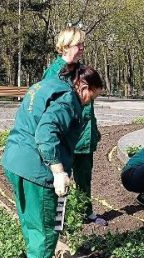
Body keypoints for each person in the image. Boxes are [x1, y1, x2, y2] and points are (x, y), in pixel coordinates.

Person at [1, 65, 104, 258]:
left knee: (30, 221)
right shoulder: (68, 99)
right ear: (83, 86)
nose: (88, 102)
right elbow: (46, 133)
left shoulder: (47, 85)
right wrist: (58, 171)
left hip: (16, 159)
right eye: (92, 96)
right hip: (36, 168)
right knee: (46, 225)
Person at [42, 27, 107, 226]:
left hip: (84, 138)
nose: (82, 48)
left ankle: (85, 212)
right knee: (62, 180)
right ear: (66, 46)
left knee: (84, 178)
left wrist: (93, 130)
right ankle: (58, 220)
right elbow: (48, 110)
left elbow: (88, 105)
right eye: (79, 44)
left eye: (82, 44)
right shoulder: (54, 73)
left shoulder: (82, 71)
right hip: (65, 138)